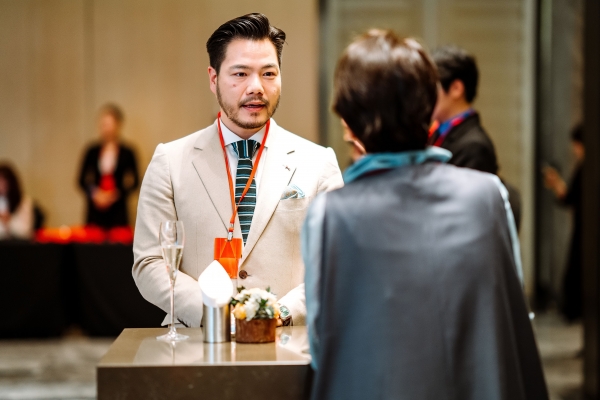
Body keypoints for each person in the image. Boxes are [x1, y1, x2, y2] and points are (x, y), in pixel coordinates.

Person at [303, 30, 548, 400]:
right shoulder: (489, 195)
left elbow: (321, 342)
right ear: (429, 107)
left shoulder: (328, 215)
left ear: (348, 124)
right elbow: (512, 316)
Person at [132, 13, 343, 328]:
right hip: (198, 339)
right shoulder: (170, 161)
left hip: (289, 339)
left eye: (268, 73)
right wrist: (215, 314)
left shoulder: (318, 162)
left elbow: (338, 263)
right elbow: (150, 263)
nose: (256, 87)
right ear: (213, 78)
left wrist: (280, 314)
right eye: (240, 73)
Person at [429, 45, 522, 229]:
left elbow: (463, 216)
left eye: (432, 87)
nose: (425, 95)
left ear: (456, 88)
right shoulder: (438, 132)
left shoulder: (474, 146)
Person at [543, 125, 584, 321]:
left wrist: (557, 184)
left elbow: (570, 198)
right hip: (582, 227)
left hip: (584, 229)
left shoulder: (586, 168)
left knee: (576, 269)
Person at [78, 104, 139, 229]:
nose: (106, 129)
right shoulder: (92, 151)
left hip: (118, 212)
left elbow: (135, 181)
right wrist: (95, 193)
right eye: (103, 124)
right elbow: (81, 180)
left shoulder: (127, 152)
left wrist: (117, 193)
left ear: (118, 125)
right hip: (95, 212)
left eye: (109, 124)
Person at [0, 163, 34, 240]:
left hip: (17, 244)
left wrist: (8, 220)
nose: (1, 184)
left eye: (3, 181)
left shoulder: (23, 201)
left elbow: (24, 231)